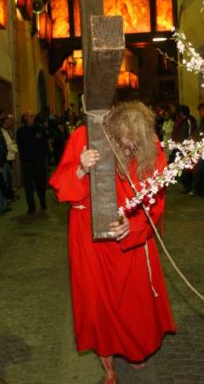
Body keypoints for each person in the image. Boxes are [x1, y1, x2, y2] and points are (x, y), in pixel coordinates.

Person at [49, 101, 176, 384]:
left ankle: (134, 347)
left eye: (134, 146)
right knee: (97, 303)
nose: (128, 150)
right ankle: (107, 363)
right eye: (123, 143)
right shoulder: (84, 136)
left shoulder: (151, 148)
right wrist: (81, 170)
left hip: (129, 235)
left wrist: (136, 226)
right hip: (88, 237)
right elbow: (62, 186)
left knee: (134, 300)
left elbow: (157, 205)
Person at [17, 110, 48, 214]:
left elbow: (44, 144)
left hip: (38, 161)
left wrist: (43, 157)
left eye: (32, 116)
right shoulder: (21, 130)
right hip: (27, 162)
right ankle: (31, 207)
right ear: (25, 117)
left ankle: (43, 203)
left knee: (40, 184)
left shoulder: (40, 129)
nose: (31, 118)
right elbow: (21, 145)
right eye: (29, 116)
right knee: (28, 185)